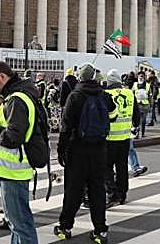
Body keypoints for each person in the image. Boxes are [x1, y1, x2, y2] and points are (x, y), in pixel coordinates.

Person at [0, 61, 39, 244]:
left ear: (2, 77)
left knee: (20, 224)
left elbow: (13, 138)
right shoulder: (13, 96)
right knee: (16, 224)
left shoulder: (15, 99)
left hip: (13, 171)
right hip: (10, 170)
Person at [55, 63, 116, 244]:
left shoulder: (75, 96)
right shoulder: (103, 95)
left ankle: (65, 227)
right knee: (97, 189)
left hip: (77, 149)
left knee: (73, 190)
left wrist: (61, 149)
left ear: (80, 78)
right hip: (99, 149)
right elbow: (113, 115)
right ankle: (100, 230)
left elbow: (65, 127)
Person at [104, 69, 137, 207]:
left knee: (107, 168)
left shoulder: (106, 94)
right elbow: (136, 115)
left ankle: (112, 194)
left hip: (109, 137)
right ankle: (122, 194)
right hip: (125, 136)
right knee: (122, 167)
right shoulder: (129, 93)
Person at [132, 71, 151, 138]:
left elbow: (149, 95)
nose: (141, 77)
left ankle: (142, 134)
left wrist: (150, 104)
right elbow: (132, 93)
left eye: (142, 76)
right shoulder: (135, 84)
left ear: (144, 77)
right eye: (140, 76)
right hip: (137, 104)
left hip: (145, 105)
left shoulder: (148, 85)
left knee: (143, 120)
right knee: (137, 120)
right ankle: (137, 134)